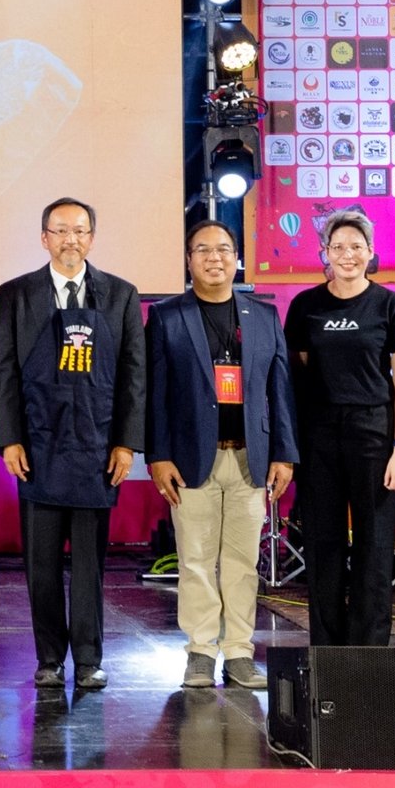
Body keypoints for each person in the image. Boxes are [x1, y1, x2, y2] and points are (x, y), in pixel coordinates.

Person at [0, 197, 146, 690]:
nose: (70, 240)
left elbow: (133, 375)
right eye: (60, 231)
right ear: (44, 238)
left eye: (79, 230)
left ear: (91, 238)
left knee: (88, 565)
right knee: (40, 565)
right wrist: (10, 439)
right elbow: (4, 372)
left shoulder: (120, 295)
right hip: (38, 447)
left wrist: (126, 443)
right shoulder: (16, 294)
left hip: (97, 447)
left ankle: (90, 659)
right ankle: (50, 659)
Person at [146, 220, 297, 689]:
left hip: (251, 458)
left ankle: (239, 653)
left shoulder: (264, 316)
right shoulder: (168, 316)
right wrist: (158, 456)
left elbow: (280, 390)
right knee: (194, 560)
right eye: (203, 250)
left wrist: (284, 454)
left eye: (224, 249)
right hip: (192, 460)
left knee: (242, 562)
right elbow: (156, 394)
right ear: (189, 260)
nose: (214, 258)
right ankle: (199, 651)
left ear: (237, 258)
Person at [284, 208, 395, 647]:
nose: (347, 254)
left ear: (371, 251)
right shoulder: (306, 306)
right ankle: (326, 651)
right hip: (319, 436)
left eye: (356, 246)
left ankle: (368, 653)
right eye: (338, 246)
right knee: (323, 544)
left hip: (373, 434)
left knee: (374, 546)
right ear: (324, 252)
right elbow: (297, 378)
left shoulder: (390, 306)